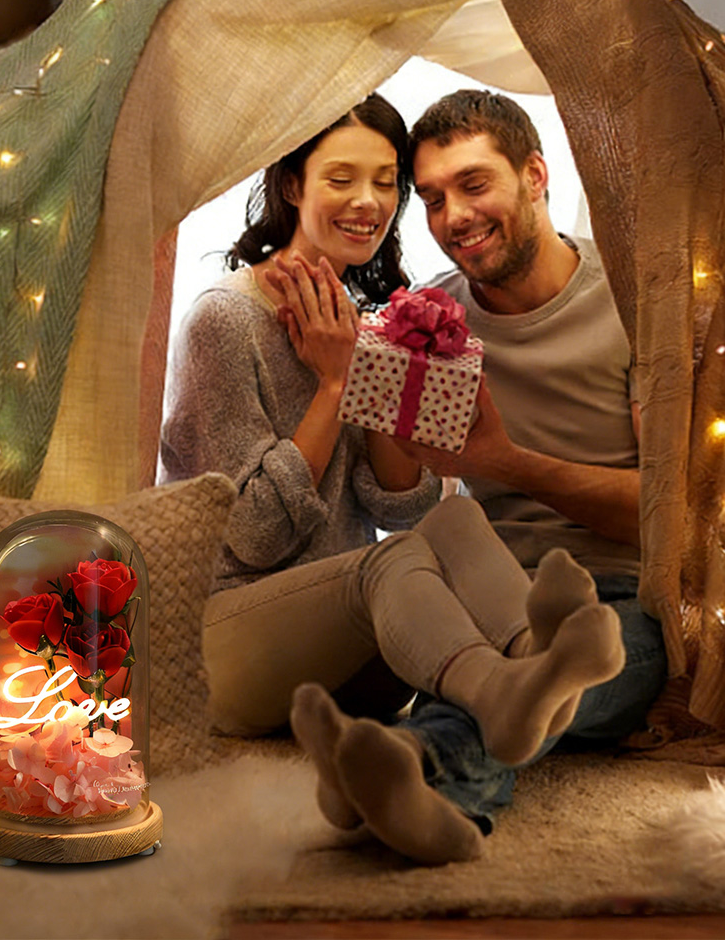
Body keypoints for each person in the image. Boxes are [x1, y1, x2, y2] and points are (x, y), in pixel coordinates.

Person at [160, 92, 626, 827]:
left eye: (386, 182)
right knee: (393, 560)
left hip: (356, 660)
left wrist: (387, 366)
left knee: (454, 520)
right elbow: (250, 536)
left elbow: (396, 506)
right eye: (341, 178)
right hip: (230, 652)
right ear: (293, 185)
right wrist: (335, 385)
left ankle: (535, 661)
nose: (369, 202)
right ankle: (495, 687)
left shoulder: (365, 320)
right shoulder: (225, 319)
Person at [289, 89, 667, 864]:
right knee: (489, 675)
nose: (452, 215)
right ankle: (419, 780)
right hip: (486, 590)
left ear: (535, 175)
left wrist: (505, 464)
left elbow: (667, 520)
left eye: (472, 184)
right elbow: (402, 494)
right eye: (430, 199)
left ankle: (408, 767)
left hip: (621, 596)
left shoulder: (636, 303)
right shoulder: (430, 315)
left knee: (555, 668)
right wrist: (365, 389)